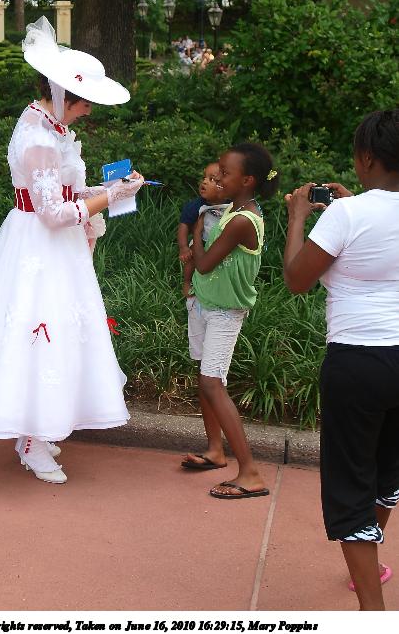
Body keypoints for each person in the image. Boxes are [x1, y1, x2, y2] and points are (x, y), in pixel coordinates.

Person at [0, 17, 144, 484]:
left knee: (54, 332)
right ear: (65, 95)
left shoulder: (49, 126)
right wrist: (111, 197)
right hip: (38, 244)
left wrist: (112, 189)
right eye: (85, 103)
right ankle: (29, 439)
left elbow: (66, 194)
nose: (88, 112)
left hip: (53, 246)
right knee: (37, 330)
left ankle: (39, 429)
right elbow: (52, 213)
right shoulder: (39, 139)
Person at [283, 108, 399, 610]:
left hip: (358, 360)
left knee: (350, 482)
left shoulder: (345, 215)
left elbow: (297, 278)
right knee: (388, 471)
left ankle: (373, 613)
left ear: (366, 157)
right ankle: (369, 569)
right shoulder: (354, 211)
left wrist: (296, 217)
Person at [180, 143, 278, 499]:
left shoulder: (241, 220)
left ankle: (250, 472)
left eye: (224, 172)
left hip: (225, 311)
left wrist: (195, 235)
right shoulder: (233, 209)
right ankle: (215, 450)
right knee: (205, 376)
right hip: (205, 302)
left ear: (247, 180)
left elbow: (205, 263)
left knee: (212, 383)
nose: (217, 176)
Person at [177, 162, 230, 298]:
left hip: (222, 244)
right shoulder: (197, 205)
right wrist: (183, 248)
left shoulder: (232, 204)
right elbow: (184, 225)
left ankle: (219, 285)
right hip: (201, 241)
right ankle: (187, 282)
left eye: (212, 179)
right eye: (204, 178)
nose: (204, 182)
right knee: (191, 259)